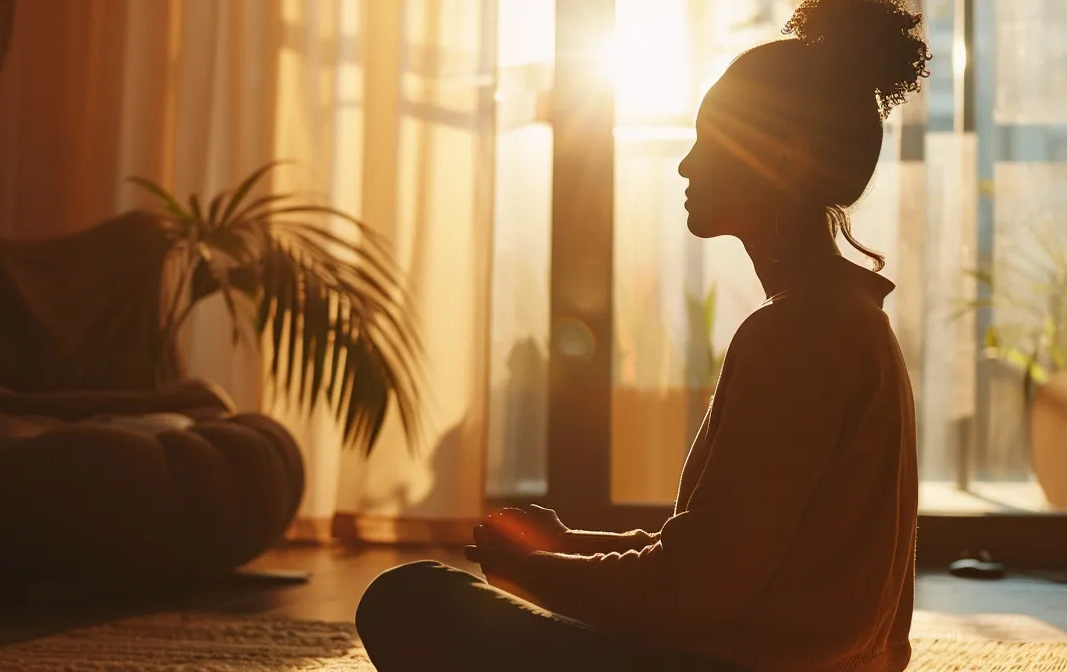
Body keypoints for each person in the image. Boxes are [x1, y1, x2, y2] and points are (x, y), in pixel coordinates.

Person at [356, 0, 928, 669]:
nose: (686, 166)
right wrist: (566, 545)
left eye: (711, 140)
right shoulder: (846, 321)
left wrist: (531, 572)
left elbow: (690, 592)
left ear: (789, 156)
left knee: (409, 599)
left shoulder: (799, 336)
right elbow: (715, 553)